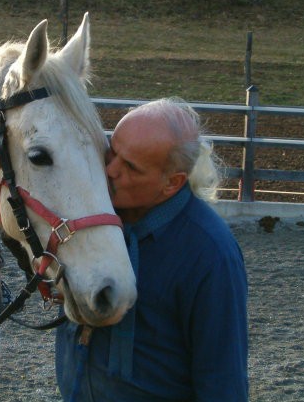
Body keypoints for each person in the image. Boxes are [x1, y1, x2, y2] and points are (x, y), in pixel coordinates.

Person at [55, 97, 248, 401]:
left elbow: (223, 384)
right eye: (112, 151)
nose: (110, 170)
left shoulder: (211, 255)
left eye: (130, 166)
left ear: (171, 183)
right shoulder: (94, 218)